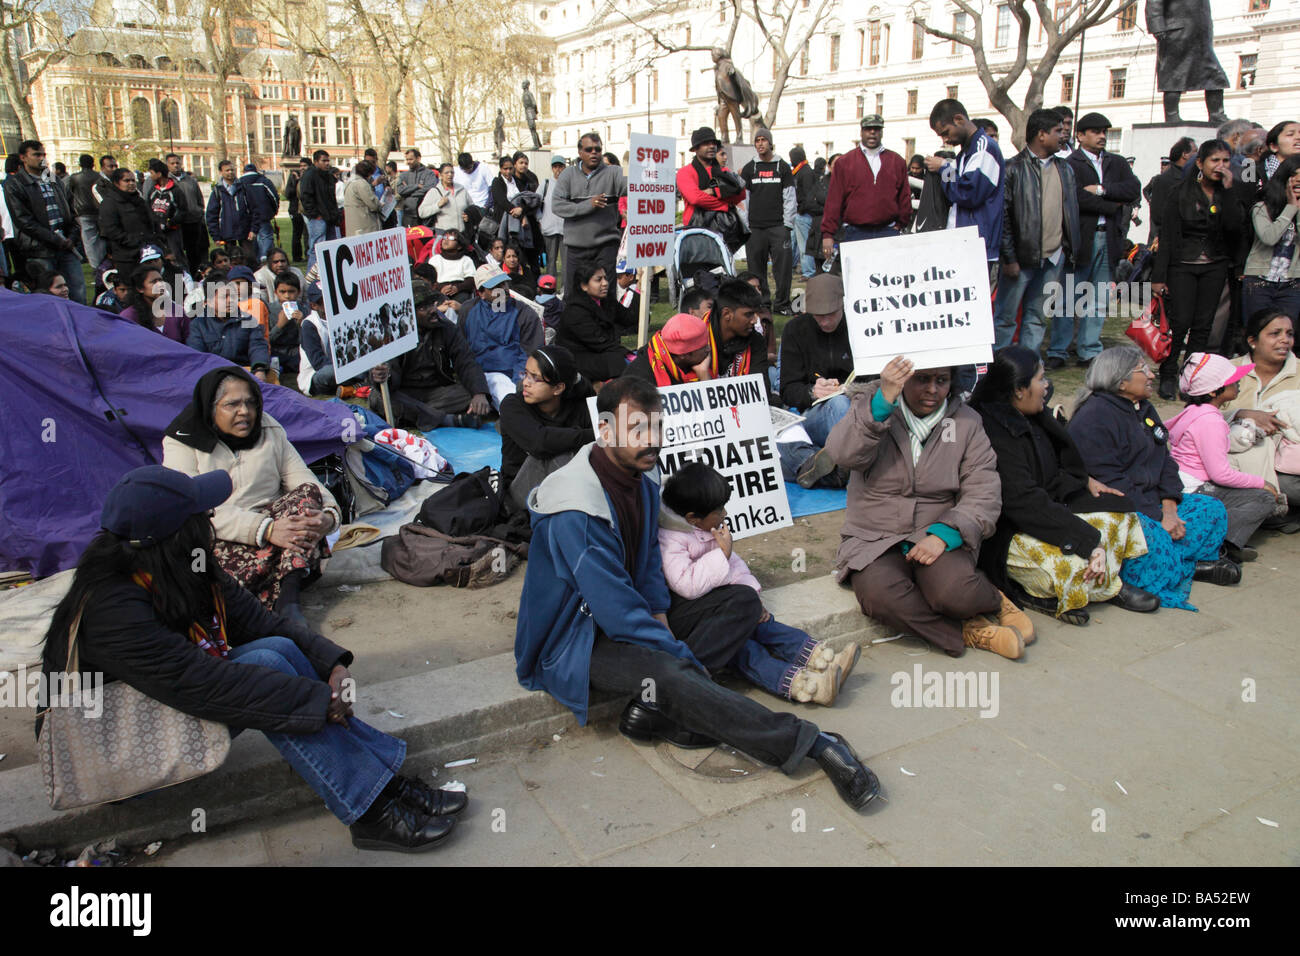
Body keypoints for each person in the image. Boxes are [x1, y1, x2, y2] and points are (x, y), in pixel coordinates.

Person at [40, 464, 463, 852]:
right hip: (119, 753)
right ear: (172, 534)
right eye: (200, 515)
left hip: (170, 702)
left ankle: (383, 785)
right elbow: (204, 685)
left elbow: (261, 622)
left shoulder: (181, 564)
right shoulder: (112, 609)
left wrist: (331, 665)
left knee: (277, 650)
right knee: (271, 670)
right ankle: (371, 810)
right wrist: (316, 700)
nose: (210, 520)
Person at [515, 376, 882, 810]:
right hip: (579, 638)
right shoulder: (577, 507)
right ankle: (812, 741)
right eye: (637, 430)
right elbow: (613, 611)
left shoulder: (642, 475)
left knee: (741, 601)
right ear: (607, 430)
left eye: (656, 427)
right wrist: (677, 652)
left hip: (630, 614)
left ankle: (668, 713)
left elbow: (650, 562)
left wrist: (660, 612)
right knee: (670, 673)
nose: (651, 440)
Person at [826, 357, 1033, 659]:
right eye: (922, 379)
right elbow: (842, 454)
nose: (932, 390)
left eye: (942, 380)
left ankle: (995, 600)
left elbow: (983, 490)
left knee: (955, 593)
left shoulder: (966, 422)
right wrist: (882, 403)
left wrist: (945, 534)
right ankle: (969, 633)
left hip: (936, 530)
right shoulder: (870, 408)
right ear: (903, 379)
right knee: (880, 597)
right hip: (874, 535)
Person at [969, 346, 1156, 626]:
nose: (1047, 387)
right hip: (1009, 528)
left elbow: (1055, 467)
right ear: (1019, 389)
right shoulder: (992, 431)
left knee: (1121, 513)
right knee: (1074, 560)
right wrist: (1086, 540)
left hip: (1047, 508)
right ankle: (1079, 590)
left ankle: (1097, 584)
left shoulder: (1031, 413)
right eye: (1041, 379)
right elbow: (1023, 501)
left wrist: (1084, 482)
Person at [658, 461, 857, 705]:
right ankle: (806, 686)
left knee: (762, 622)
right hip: (696, 617)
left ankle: (820, 658)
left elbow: (734, 564)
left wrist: (751, 594)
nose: (725, 515)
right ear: (693, 518)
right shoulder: (671, 538)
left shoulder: (703, 528)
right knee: (742, 648)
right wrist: (722, 553)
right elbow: (686, 584)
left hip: (722, 602)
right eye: (719, 510)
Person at [162, 368, 337, 622]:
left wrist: (328, 519)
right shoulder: (183, 440)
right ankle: (274, 595)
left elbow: (305, 480)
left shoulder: (269, 428)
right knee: (196, 558)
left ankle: (288, 603)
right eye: (232, 404)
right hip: (218, 536)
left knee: (306, 496)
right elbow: (190, 507)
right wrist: (265, 529)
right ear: (210, 407)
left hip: (280, 534)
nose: (244, 411)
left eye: (250, 403)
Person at [1069, 345, 1236, 610]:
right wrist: (1159, 517)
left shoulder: (1143, 408)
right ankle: (1178, 568)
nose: (1151, 375)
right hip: (1123, 506)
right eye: (1143, 370)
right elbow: (1113, 483)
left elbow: (1165, 461)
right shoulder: (1095, 417)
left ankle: (1180, 565)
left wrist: (1169, 506)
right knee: (1154, 538)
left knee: (1211, 509)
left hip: (1154, 502)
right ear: (1121, 381)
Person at [1166, 352, 1281, 563]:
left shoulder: (1194, 410)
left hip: (1181, 483)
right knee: (1263, 498)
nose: (1238, 382)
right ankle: (1225, 545)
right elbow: (1220, 475)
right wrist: (1263, 483)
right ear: (1213, 391)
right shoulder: (1211, 421)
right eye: (1232, 380)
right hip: (1196, 488)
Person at [1152, 140, 1244, 399]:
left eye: (1226, 161)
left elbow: (1235, 228)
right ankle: (1168, 373)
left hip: (1215, 265)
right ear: (1201, 163)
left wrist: (1228, 192)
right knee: (1180, 322)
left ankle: (1191, 375)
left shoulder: (1227, 193)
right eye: (1215, 160)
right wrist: (1159, 277)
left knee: (1204, 326)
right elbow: (1167, 236)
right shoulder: (1180, 192)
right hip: (1182, 265)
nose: (1221, 166)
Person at [995, 108, 1081, 355]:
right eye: (1058, 131)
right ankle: (999, 370)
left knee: (1037, 318)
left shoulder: (1065, 169)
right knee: (1005, 319)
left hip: (1054, 258)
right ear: (1041, 135)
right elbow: (1004, 217)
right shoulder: (1012, 168)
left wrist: (1068, 249)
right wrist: (1009, 258)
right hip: (1020, 261)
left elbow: (1069, 211)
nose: (1063, 135)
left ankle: (1029, 368)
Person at [1060, 112, 1142, 369]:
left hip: (1109, 237)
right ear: (1081, 136)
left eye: (1104, 131)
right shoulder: (1070, 163)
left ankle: (1089, 349)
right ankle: (1059, 349)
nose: (1102, 136)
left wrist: (1103, 191)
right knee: (1067, 297)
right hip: (1080, 237)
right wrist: (1110, 205)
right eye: (1095, 131)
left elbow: (1133, 189)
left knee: (1099, 297)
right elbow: (1072, 198)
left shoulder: (1116, 163)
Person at [368, 278, 492, 429]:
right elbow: (389, 379)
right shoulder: (395, 335)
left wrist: (478, 392)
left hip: (437, 392)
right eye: (423, 307)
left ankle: (414, 415)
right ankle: (446, 420)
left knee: (473, 393)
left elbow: (466, 361)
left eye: (432, 304)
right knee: (378, 396)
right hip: (405, 392)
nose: (433, 310)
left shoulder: (446, 328)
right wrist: (382, 375)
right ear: (410, 313)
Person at [1221, 308, 1300, 525]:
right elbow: (1198, 414)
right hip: (1230, 460)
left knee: (1288, 486)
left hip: (1285, 466)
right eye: (1275, 334)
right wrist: (1244, 414)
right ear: (1252, 341)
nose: (1285, 340)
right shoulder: (1227, 370)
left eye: (1289, 334)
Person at [499, 345, 595, 509]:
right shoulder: (512, 405)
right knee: (556, 454)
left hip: (570, 490)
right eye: (526, 374)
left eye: (534, 378)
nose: (525, 383)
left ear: (558, 388)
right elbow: (539, 442)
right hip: (521, 494)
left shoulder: (579, 406)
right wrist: (597, 434)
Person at [925, 100, 1005, 286]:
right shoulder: (967, 151)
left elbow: (968, 193)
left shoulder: (985, 149)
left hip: (975, 244)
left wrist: (944, 168)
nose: (945, 140)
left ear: (959, 119)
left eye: (946, 133)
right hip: (963, 241)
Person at [2, 139, 85, 304]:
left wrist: (72, 237)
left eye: (43, 154)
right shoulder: (16, 183)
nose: (41, 158)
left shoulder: (52, 179)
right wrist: (55, 240)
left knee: (76, 292)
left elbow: (71, 211)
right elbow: (23, 220)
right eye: (36, 154)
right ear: (23, 158)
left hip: (66, 246)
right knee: (48, 296)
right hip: (39, 249)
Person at [820, 113, 912, 258]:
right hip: (855, 233)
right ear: (861, 131)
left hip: (887, 231)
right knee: (856, 279)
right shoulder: (845, 162)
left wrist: (901, 223)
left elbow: (904, 196)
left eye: (876, 129)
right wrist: (827, 234)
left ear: (881, 132)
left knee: (886, 275)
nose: (872, 132)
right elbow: (834, 200)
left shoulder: (896, 161)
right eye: (868, 129)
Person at [552, 131, 627, 295]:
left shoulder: (613, 173)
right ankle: (578, 321)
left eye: (598, 149)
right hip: (576, 248)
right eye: (589, 149)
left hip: (605, 246)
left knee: (606, 293)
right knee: (573, 294)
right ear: (580, 152)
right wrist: (588, 205)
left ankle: (606, 321)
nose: (594, 153)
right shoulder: (568, 175)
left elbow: (637, 186)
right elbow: (557, 206)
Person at [738, 129, 796, 315]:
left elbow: (790, 197)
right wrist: (746, 225)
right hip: (755, 228)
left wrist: (788, 224)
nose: (761, 144)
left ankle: (782, 304)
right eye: (757, 140)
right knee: (756, 270)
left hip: (779, 226)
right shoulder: (749, 169)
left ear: (770, 143)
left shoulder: (782, 167)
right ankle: (762, 304)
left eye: (764, 140)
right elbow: (743, 200)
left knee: (783, 269)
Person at [1241, 156, 1300, 326]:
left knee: (1285, 333)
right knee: (1258, 331)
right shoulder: (1262, 207)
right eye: (1294, 175)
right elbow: (1269, 237)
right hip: (1259, 282)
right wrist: (1290, 208)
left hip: (1293, 283)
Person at [555, 261, 639, 381]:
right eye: (598, 280)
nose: (605, 283)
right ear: (584, 286)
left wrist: (638, 290)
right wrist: (629, 356)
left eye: (605, 278)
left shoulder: (606, 300)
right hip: (579, 360)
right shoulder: (575, 311)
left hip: (603, 353)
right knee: (627, 365)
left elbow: (629, 318)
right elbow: (599, 342)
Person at [462, 264, 528, 408]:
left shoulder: (523, 312)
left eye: (504, 283)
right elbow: (461, 352)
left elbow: (531, 350)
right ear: (481, 293)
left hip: (521, 374)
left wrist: (520, 380)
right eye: (495, 287)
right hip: (485, 376)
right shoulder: (468, 311)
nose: (503, 290)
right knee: (499, 383)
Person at [186, 273, 272, 380]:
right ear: (208, 302)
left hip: (244, 374)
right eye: (224, 297)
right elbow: (197, 356)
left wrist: (259, 369)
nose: (230, 300)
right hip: (211, 377)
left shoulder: (249, 320)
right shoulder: (198, 325)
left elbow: (258, 346)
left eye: (232, 296)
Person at [676, 126, 747, 252]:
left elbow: (741, 193)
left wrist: (713, 191)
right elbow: (695, 198)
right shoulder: (684, 172)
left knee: (724, 270)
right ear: (695, 149)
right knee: (697, 270)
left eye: (713, 143)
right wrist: (725, 204)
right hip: (695, 231)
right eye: (706, 143)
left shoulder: (724, 171)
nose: (711, 146)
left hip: (724, 232)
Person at [98, 167, 162, 282]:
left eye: (133, 180)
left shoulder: (139, 200)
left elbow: (152, 222)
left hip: (148, 253)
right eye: (127, 181)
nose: (131, 183)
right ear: (117, 183)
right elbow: (112, 230)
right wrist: (135, 242)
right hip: (126, 256)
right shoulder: (109, 203)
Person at [622, 312, 713, 386]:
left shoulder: (698, 363)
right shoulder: (639, 379)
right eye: (703, 347)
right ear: (683, 355)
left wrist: (704, 375)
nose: (709, 349)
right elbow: (623, 408)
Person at [1145, 137, 1197, 244]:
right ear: (1185, 155)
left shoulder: (1195, 177)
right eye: (1195, 151)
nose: (1198, 156)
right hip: (1173, 239)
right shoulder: (1164, 179)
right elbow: (1157, 215)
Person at [120, 264, 190, 343]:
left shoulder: (177, 311)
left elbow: (190, 343)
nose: (160, 285)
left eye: (161, 280)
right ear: (140, 288)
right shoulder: (129, 316)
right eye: (154, 282)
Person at [69, 153, 112, 275]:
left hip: (83, 211)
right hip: (98, 210)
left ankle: (95, 265)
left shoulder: (75, 178)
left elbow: (70, 193)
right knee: (101, 238)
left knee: (89, 241)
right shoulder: (98, 177)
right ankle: (103, 262)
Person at [205, 160, 255, 264]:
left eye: (232, 170)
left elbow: (254, 210)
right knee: (230, 259)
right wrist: (216, 236)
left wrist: (253, 229)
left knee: (249, 258)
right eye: (227, 170)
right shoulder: (217, 191)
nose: (230, 172)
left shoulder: (244, 188)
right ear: (221, 172)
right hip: (227, 232)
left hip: (245, 231)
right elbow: (211, 215)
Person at [299, 150, 340, 272]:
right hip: (319, 218)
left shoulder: (327, 176)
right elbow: (305, 197)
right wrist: (315, 215)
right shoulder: (310, 175)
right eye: (324, 161)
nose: (327, 163)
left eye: (328, 160)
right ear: (316, 161)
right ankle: (312, 277)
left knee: (331, 247)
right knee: (316, 249)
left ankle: (329, 274)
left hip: (330, 218)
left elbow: (331, 198)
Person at [145, 157, 189, 269]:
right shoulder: (153, 191)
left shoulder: (175, 190)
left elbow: (183, 210)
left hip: (172, 232)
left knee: (177, 258)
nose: (151, 176)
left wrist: (170, 222)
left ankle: (183, 282)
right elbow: (148, 208)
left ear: (159, 174)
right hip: (157, 232)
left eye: (152, 173)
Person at [238, 163, 279, 262]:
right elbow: (274, 197)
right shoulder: (264, 181)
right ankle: (264, 256)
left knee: (252, 240)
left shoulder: (239, 183)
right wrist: (274, 210)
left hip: (247, 217)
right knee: (266, 237)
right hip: (264, 214)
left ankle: (256, 260)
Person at [266, 270, 303, 376]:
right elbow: (266, 340)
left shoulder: (304, 309)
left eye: (291, 291)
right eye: (282, 292)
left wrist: (301, 324)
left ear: (298, 292)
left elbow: (306, 341)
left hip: (295, 352)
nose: (287, 296)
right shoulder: (269, 310)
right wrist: (279, 325)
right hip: (276, 351)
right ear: (276, 292)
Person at [428, 228, 477, 308]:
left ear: (459, 246)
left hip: (460, 290)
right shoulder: (435, 260)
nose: (446, 240)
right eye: (444, 238)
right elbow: (430, 280)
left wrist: (457, 288)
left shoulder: (466, 260)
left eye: (451, 238)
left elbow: (472, 280)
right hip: (440, 290)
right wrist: (441, 289)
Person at [418, 163, 470, 236]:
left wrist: (469, 216)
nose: (450, 175)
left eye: (452, 172)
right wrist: (438, 205)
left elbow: (471, 207)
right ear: (440, 175)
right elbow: (422, 212)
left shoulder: (461, 189)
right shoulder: (434, 191)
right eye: (446, 173)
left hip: (462, 233)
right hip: (444, 234)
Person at [538, 155, 567, 284]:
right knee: (551, 261)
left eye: (560, 166)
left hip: (565, 229)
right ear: (552, 168)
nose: (558, 170)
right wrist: (540, 219)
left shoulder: (569, 184)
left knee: (566, 262)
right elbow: (534, 203)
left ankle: (565, 290)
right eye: (555, 167)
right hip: (549, 228)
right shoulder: (546, 184)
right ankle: (549, 289)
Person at [790, 146, 817, 280]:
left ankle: (808, 272)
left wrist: (802, 209)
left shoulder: (804, 173)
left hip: (803, 213)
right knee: (795, 243)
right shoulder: (803, 171)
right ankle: (793, 266)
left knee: (804, 244)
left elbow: (807, 194)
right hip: (800, 212)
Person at [397, 148, 437, 226]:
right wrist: (417, 186)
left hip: (425, 215)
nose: (408, 162)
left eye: (411, 159)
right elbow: (400, 191)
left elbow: (429, 190)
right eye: (407, 159)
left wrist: (408, 193)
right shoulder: (403, 175)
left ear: (418, 158)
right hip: (408, 215)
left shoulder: (429, 174)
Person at [342, 160, 383, 237]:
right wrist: (380, 204)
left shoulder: (350, 182)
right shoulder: (362, 183)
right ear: (368, 173)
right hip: (365, 228)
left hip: (354, 228)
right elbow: (374, 205)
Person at [284, 157, 307, 262]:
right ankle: (297, 256)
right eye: (301, 166)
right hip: (295, 209)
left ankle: (308, 254)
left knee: (307, 233)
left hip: (306, 209)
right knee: (297, 233)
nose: (302, 168)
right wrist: (297, 181)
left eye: (305, 166)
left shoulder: (309, 177)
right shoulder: (293, 177)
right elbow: (288, 193)